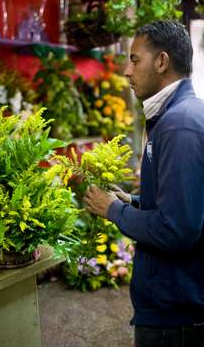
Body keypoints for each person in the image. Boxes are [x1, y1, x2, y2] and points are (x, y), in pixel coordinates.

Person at [84, 20, 204, 347]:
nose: (127, 70)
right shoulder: (175, 117)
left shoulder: (179, 125)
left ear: (162, 62)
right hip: (173, 307)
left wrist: (115, 210)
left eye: (135, 59)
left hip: (175, 316)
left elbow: (177, 229)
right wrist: (133, 201)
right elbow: (186, 207)